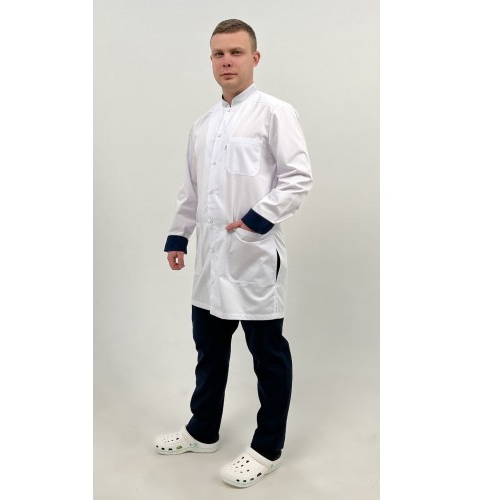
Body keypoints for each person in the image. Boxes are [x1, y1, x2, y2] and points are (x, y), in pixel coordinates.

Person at [155, 19, 313, 488]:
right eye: (219, 54)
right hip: (211, 260)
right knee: (209, 350)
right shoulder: (203, 125)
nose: (227, 61)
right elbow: (191, 189)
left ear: (254, 58)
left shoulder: (275, 113)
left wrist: (257, 219)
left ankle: (268, 447)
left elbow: (298, 178)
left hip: (254, 257)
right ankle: (202, 430)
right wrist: (179, 236)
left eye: (236, 52)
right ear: (211, 61)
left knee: (267, 355)